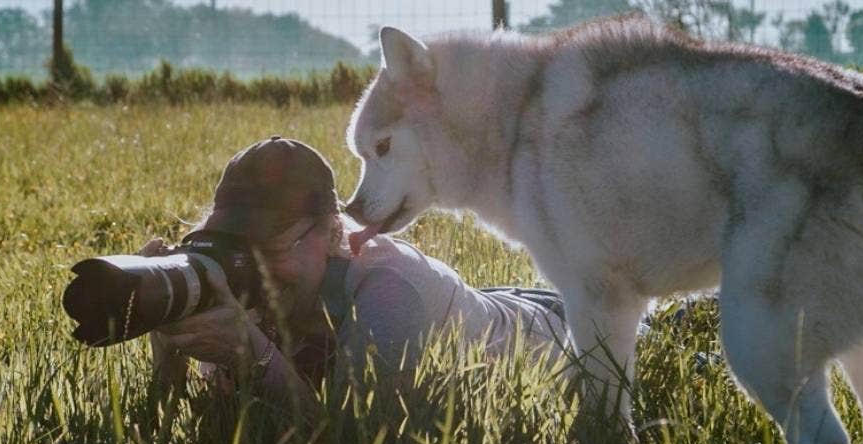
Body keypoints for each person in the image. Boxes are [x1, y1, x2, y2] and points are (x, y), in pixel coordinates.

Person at [143, 136, 569, 418]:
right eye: (236, 246)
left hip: (551, 334)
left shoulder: (388, 289)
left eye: (271, 247)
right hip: (475, 301)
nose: (253, 269)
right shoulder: (254, 287)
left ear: (331, 233)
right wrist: (171, 339)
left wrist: (254, 353)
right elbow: (208, 416)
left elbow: (353, 443)